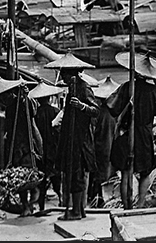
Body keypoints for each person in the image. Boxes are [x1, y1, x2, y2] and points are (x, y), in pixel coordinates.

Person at [106, 52, 156, 209]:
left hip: (126, 133)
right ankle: (141, 202)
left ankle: (126, 205)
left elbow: (113, 108)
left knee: (126, 173)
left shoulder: (127, 87)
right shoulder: (153, 91)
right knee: (144, 173)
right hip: (144, 135)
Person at [44, 51, 99, 221]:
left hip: (80, 141)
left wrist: (81, 106)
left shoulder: (83, 88)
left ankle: (76, 210)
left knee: (77, 175)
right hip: (71, 139)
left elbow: (95, 110)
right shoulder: (71, 91)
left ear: (71, 74)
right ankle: (77, 209)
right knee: (72, 174)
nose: (62, 76)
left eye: (64, 73)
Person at [0, 76, 43, 217]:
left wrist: (26, 96)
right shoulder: (10, 108)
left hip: (27, 146)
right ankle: (25, 206)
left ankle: (32, 204)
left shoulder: (24, 103)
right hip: (15, 146)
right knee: (20, 180)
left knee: (29, 176)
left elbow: (32, 113)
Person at [28, 82, 65, 212]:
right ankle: (61, 200)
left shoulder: (36, 114)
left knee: (42, 180)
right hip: (54, 148)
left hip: (41, 150)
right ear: (49, 98)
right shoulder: (56, 111)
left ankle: (41, 206)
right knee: (56, 177)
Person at [88, 75, 120, 208]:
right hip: (107, 145)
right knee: (103, 173)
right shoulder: (111, 113)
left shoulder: (100, 112)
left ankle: (96, 196)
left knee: (98, 173)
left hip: (100, 145)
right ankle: (99, 197)